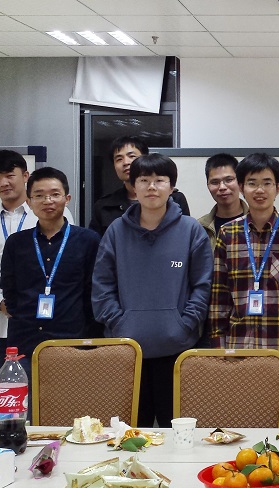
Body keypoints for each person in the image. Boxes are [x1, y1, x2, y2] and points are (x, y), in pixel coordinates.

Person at [92, 153, 212, 428]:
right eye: (144, 180)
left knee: (178, 433)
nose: (152, 187)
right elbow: (102, 285)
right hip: (127, 350)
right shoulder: (116, 231)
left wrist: (185, 324)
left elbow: (202, 285)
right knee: (133, 434)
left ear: (172, 186)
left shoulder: (191, 230)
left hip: (178, 349)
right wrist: (119, 323)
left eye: (160, 180)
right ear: (133, 186)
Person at [209, 152, 279, 420]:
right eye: (252, 183)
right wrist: (218, 342)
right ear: (242, 187)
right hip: (239, 346)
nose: (259, 190)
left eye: (267, 183)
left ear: (278, 187)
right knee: (243, 420)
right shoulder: (228, 234)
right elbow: (219, 293)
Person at [0, 150, 74, 373]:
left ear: (25, 176)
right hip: (1, 326)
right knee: (11, 390)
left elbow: (67, 265)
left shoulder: (51, 212)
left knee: (55, 389)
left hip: (53, 324)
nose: (3, 183)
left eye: (9, 175)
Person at [0, 167, 100, 391]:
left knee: (70, 402)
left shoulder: (88, 240)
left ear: (67, 198)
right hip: (25, 341)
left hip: (73, 341)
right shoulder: (16, 243)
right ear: (29, 201)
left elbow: (92, 291)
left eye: (55, 194)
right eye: (39, 195)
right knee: (28, 405)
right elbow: (9, 287)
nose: (48, 201)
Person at [89, 136, 190, 235]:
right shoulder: (104, 206)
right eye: (119, 159)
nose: (126, 162)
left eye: (132, 156)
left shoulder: (175, 199)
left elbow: (185, 235)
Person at [197, 153, 248, 248]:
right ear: (208, 186)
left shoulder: (257, 221)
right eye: (214, 182)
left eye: (229, 180)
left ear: (240, 182)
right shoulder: (199, 227)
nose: (222, 187)